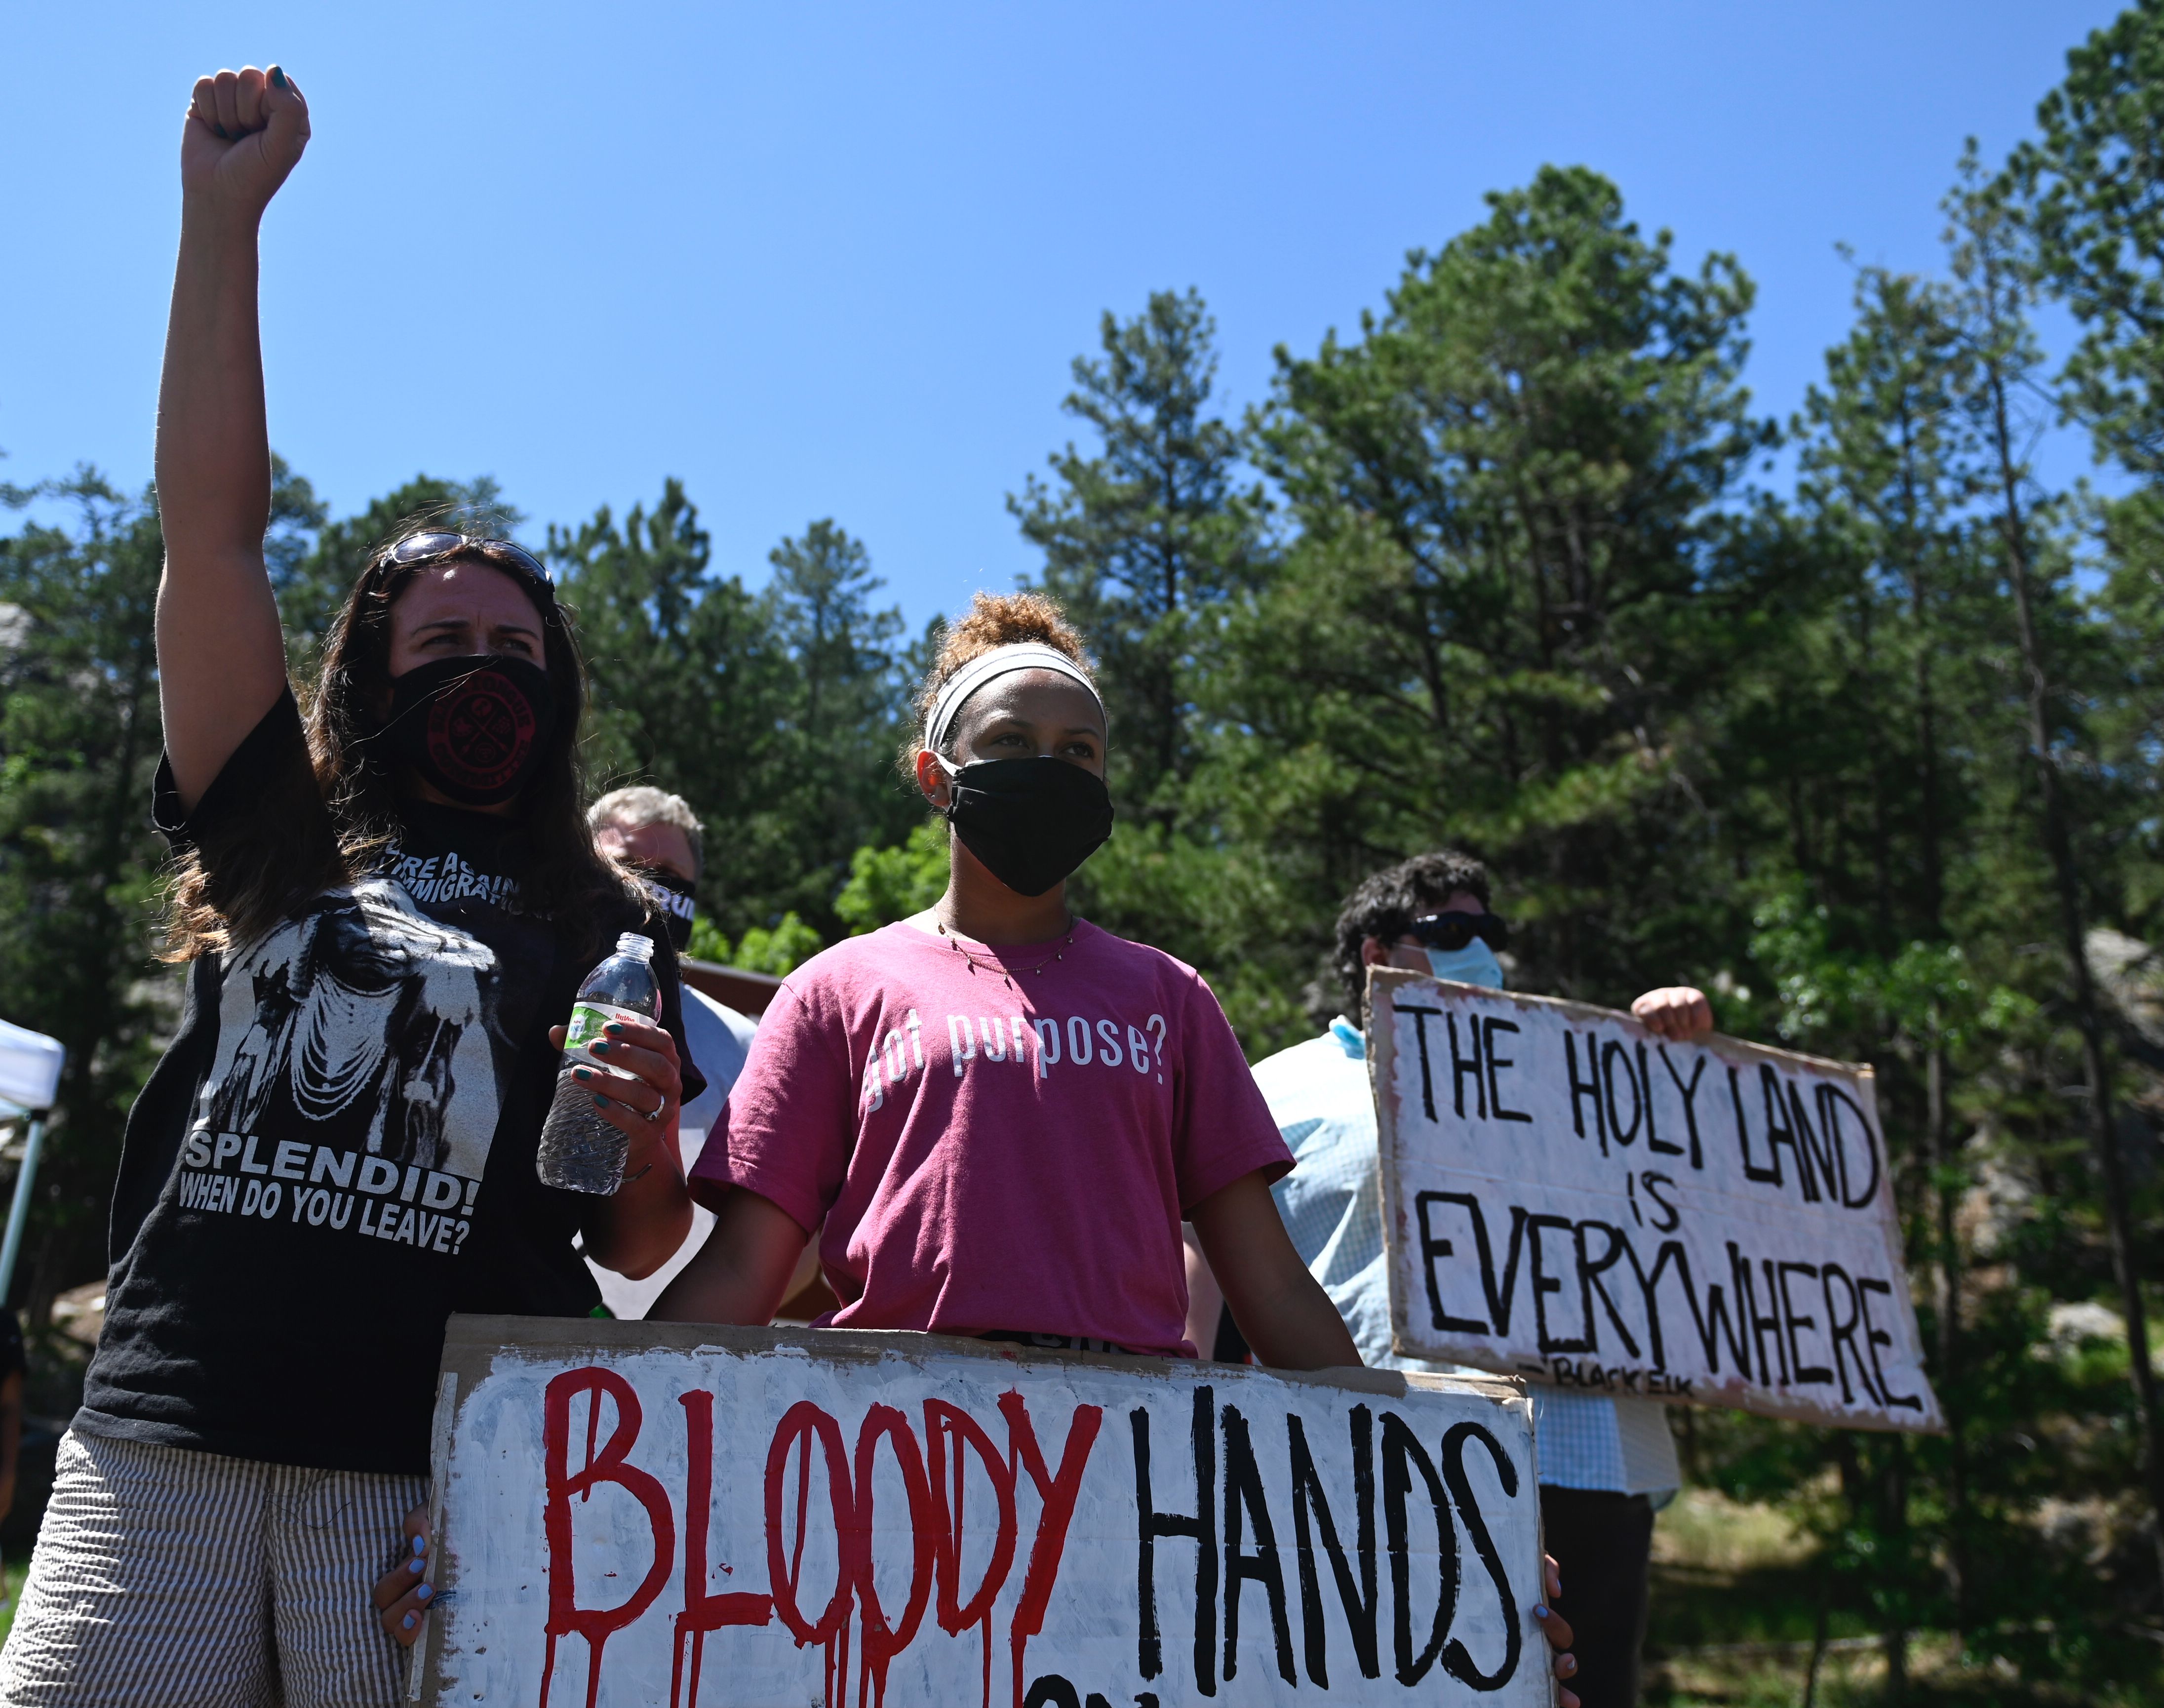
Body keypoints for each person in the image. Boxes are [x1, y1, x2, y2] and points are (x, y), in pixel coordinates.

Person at [0, 67, 703, 1707]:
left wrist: (652, 1126)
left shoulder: (608, 930)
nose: (481, 674)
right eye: (442, 645)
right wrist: (220, 219)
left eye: (514, 652)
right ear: (363, 677)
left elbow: (635, 1229)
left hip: (433, 1460)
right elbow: (214, 531)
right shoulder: (274, 842)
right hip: (171, 1425)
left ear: (561, 696)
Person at [651, 595, 1579, 1703]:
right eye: (1009, 746)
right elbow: (741, 1271)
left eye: (1076, 752)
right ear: (933, 772)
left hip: (1136, 1480)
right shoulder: (838, 989)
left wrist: (1428, 1499)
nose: (1048, 768)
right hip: (895, 1470)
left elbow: (1272, 1286)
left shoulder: (1169, 996)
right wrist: (569, 1424)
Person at [1243, 850, 1710, 1708]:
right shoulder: (1275, 1090)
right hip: (1384, 1460)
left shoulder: (1583, 1071)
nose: (1479, 951)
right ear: (1379, 953)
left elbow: (1695, 1202)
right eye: (1450, 932)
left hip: (1591, 1459)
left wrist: (1675, 1058)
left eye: (1487, 932)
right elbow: (1229, 1284)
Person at [584, 787, 760, 1316]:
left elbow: (789, 1227)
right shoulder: (529, 999)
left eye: (670, 878)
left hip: (677, 1361)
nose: (650, 891)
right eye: (628, 868)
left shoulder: (744, 1044)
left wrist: (695, 1336)